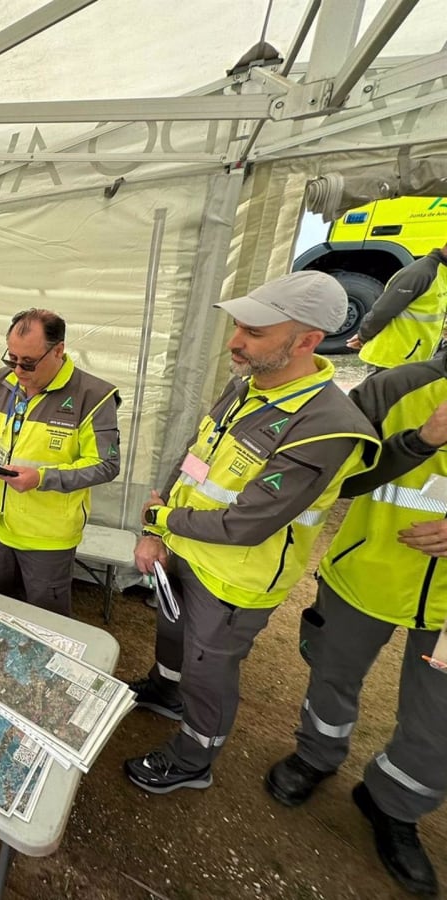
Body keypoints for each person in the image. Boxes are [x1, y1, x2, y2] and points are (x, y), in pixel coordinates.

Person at [124, 270, 382, 795]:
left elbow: (246, 523)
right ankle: (164, 692)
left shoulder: (326, 425)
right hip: (186, 553)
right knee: (172, 635)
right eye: (239, 326)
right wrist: (161, 530)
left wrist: (162, 521)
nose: (236, 341)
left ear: (307, 340)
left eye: (256, 332)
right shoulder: (247, 386)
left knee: (208, 673)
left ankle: (194, 759)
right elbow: (196, 457)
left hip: (236, 581)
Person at [264, 363, 447, 896]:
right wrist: (420, 440)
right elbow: (333, 475)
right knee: (333, 673)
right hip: (364, 577)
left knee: (438, 718)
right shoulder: (399, 388)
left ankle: (396, 805)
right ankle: (316, 755)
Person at [0, 309, 119, 615]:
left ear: (58, 350)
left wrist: (42, 478)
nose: (18, 369)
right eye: (11, 358)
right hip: (0, 526)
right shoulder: (3, 380)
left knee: (46, 620)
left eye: (28, 362)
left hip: (48, 537)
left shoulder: (93, 396)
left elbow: (106, 465)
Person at [348, 242, 447, 371]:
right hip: (390, 359)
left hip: (412, 359)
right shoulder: (420, 273)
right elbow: (382, 310)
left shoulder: (441, 272)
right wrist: (363, 336)